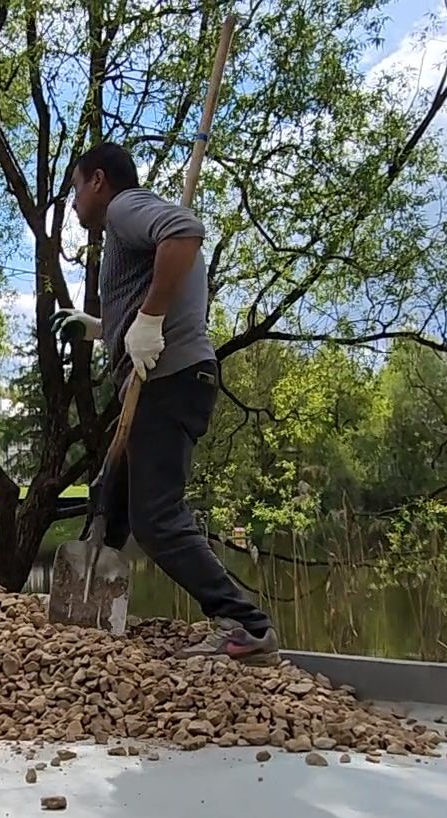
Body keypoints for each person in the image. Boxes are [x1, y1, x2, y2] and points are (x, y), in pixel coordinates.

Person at [53, 142, 279, 666]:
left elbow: (186, 233)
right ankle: (84, 623)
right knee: (112, 496)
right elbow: (141, 309)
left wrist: (149, 321)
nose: (74, 202)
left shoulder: (124, 209)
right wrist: (97, 328)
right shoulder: (127, 231)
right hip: (168, 377)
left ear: (99, 181)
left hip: (168, 378)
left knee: (155, 518)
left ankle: (246, 625)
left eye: (75, 188)